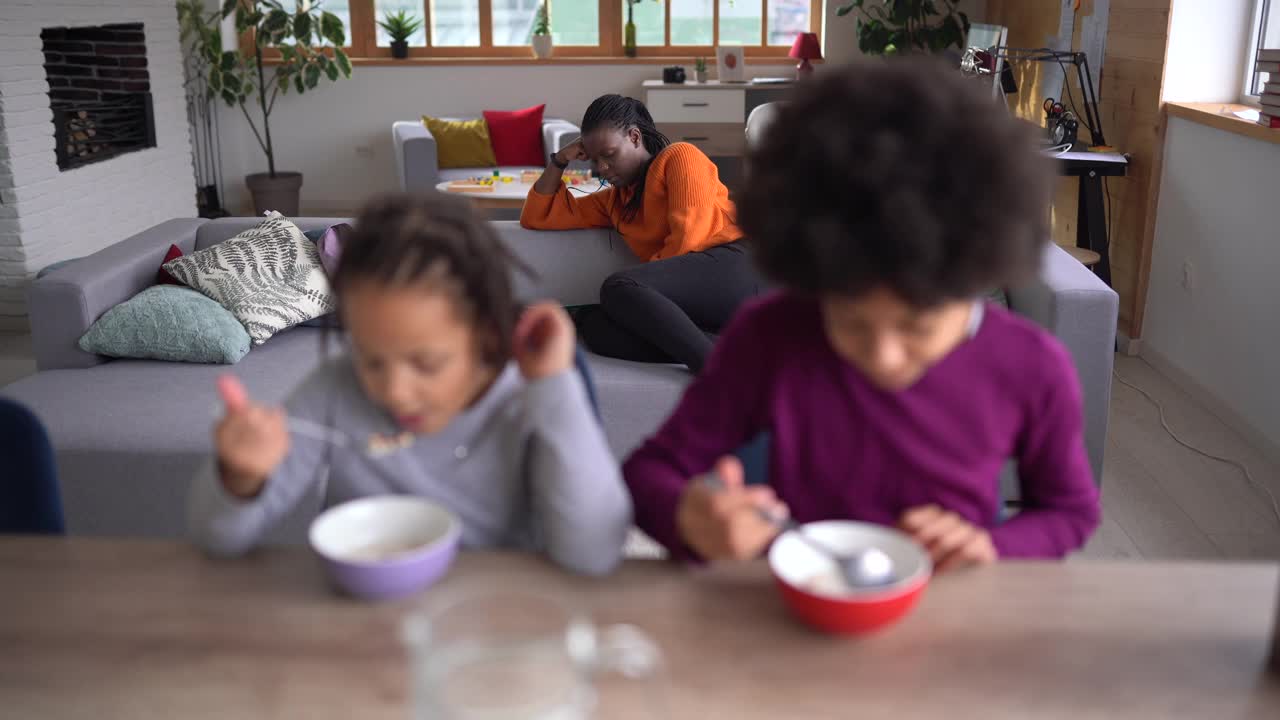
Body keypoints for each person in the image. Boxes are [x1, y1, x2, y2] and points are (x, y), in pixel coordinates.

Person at [624, 59, 1101, 571]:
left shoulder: (1030, 365)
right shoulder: (770, 336)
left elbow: (1069, 511)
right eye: (849, 321)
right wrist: (689, 518)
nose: (883, 357)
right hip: (795, 605)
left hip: (949, 612)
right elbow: (650, 472)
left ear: (975, 284)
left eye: (917, 327)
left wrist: (992, 546)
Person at [189, 193, 631, 576]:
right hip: (366, 628)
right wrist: (241, 477)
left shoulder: (527, 396)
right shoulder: (336, 387)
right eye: (371, 359)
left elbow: (592, 554)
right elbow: (215, 539)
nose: (395, 392)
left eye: (427, 363)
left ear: (488, 337)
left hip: (501, 625)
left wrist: (554, 386)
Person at [520, 94, 763, 373]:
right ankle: (739, 350)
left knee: (617, 288)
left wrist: (637, 294)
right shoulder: (615, 201)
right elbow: (536, 216)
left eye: (609, 155)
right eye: (595, 160)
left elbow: (688, 241)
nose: (601, 168)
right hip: (699, 301)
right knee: (597, 328)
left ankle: (719, 374)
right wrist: (559, 160)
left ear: (635, 137)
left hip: (739, 269)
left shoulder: (680, 157)